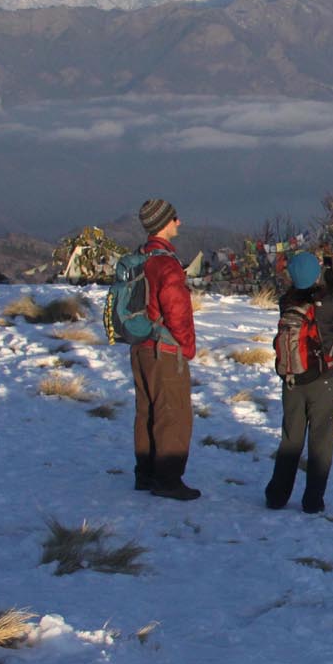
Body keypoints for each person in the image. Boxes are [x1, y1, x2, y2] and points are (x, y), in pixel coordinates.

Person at [264, 251, 333, 514]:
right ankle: (313, 501)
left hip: (292, 381)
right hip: (323, 383)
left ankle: (277, 496)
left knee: (290, 440)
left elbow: (308, 290)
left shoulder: (287, 302)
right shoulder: (325, 307)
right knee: (321, 443)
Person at [130, 197, 199, 501]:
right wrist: (186, 349)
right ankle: (168, 479)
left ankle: (145, 473)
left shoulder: (140, 258)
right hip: (164, 349)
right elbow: (178, 313)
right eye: (174, 218)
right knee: (173, 413)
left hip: (140, 346)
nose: (178, 222)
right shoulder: (166, 264)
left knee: (146, 410)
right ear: (163, 223)